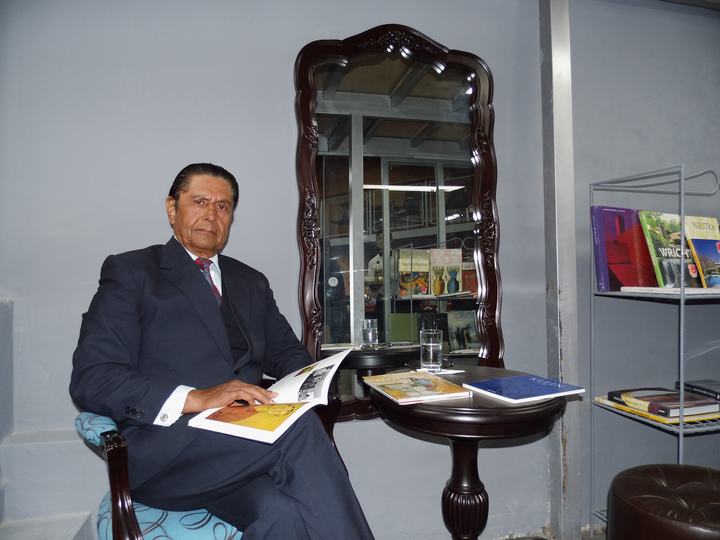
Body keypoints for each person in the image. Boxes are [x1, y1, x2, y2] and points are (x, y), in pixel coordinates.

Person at [70, 163, 374, 539]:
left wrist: (306, 383)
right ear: (172, 208)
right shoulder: (134, 273)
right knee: (298, 430)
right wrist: (197, 398)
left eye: (223, 206)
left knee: (280, 513)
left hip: (242, 450)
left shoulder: (251, 282)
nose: (211, 214)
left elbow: (288, 354)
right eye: (200, 201)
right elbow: (93, 378)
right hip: (168, 454)